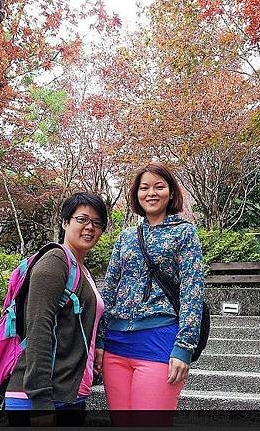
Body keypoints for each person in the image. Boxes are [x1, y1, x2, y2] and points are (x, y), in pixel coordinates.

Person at [96, 162, 204, 411]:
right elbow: (110, 289)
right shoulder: (126, 237)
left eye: (159, 186)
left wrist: (184, 347)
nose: (151, 193)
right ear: (136, 194)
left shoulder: (184, 233)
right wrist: (100, 340)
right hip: (116, 343)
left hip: (159, 339)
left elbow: (192, 291)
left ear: (171, 192)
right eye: (144, 188)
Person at [4, 192, 108, 426]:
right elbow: (39, 327)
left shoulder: (80, 268)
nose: (90, 227)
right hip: (39, 399)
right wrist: (41, 402)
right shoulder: (54, 262)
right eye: (82, 219)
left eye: (97, 222)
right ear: (64, 222)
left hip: (68, 395)